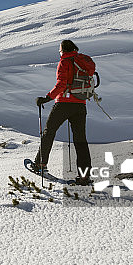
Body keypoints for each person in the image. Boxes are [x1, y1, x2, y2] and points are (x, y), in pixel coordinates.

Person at [31, 39, 93, 185]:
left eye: (59, 49)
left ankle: (40, 164)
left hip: (64, 104)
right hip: (80, 105)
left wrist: (46, 98)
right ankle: (84, 176)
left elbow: (61, 84)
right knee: (80, 140)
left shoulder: (65, 62)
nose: (59, 52)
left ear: (63, 49)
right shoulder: (82, 60)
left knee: (49, 132)